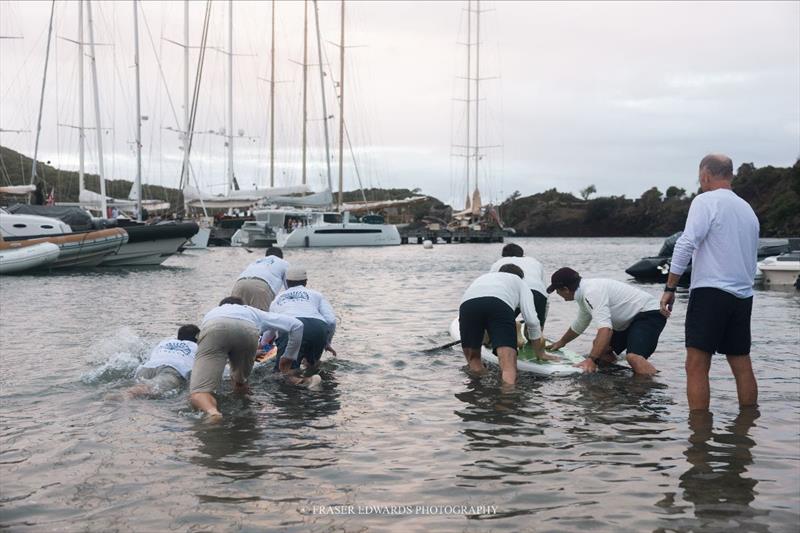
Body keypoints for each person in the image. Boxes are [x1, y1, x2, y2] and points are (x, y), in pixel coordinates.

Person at [660, 154, 759, 411]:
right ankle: (746, 428)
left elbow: (685, 244)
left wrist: (670, 287)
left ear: (705, 175)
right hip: (742, 296)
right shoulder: (747, 210)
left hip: (711, 293)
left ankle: (699, 438)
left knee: (696, 365)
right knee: (741, 363)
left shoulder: (705, 201)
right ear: (730, 175)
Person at [189, 296, 305, 418]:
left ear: (221, 306)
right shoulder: (253, 312)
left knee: (199, 392)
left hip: (215, 328)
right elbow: (297, 325)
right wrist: (288, 357)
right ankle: (246, 407)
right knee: (240, 383)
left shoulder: (213, 313)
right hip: (248, 332)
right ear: (243, 305)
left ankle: (213, 412)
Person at [546, 267, 666, 376]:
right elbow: (580, 323)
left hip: (649, 313)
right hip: (630, 320)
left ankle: (653, 389)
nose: (557, 294)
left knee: (633, 357)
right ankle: (615, 379)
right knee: (602, 350)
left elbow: (606, 330)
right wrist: (561, 342)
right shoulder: (584, 294)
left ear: (566, 289)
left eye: (557, 291)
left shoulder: (591, 292)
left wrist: (591, 360)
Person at [459, 263, 546, 386]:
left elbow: (479, 305)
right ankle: (507, 400)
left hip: (467, 306)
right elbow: (532, 320)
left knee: (474, 359)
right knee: (508, 365)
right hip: (499, 305)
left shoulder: (483, 278)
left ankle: (480, 391)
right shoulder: (519, 282)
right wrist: (539, 352)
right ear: (521, 277)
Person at [268, 265, 337, 372]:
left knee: (284, 373)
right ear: (306, 281)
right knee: (312, 366)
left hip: (291, 328)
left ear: (286, 281)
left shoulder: (278, 298)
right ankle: (315, 383)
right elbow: (331, 321)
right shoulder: (317, 294)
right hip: (318, 328)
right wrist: (326, 342)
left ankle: (305, 382)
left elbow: (270, 326)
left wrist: (262, 344)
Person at [125, 324, 200, 398]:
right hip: (170, 371)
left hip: (146, 368)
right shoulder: (197, 346)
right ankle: (122, 396)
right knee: (146, 390)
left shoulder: (164, 342)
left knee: (143, 389)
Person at [490, 243, 549, 328]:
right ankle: (534, 339)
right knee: (535, 328)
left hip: (512, 293)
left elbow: (490, 288)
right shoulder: (535, 262)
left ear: (503, 256)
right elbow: (545, 293)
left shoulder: (498, 263)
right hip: (537, 293)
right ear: (522, 254)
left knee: (499, 324)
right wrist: (541, 322)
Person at [231, 246, 288, 311]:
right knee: (260, 317)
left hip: (239, 284)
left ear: (266, 256)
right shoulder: (283, 263)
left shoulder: (256, 261)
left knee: (236, 314)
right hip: (261, 286)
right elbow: (289, 286)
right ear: (281, 257)